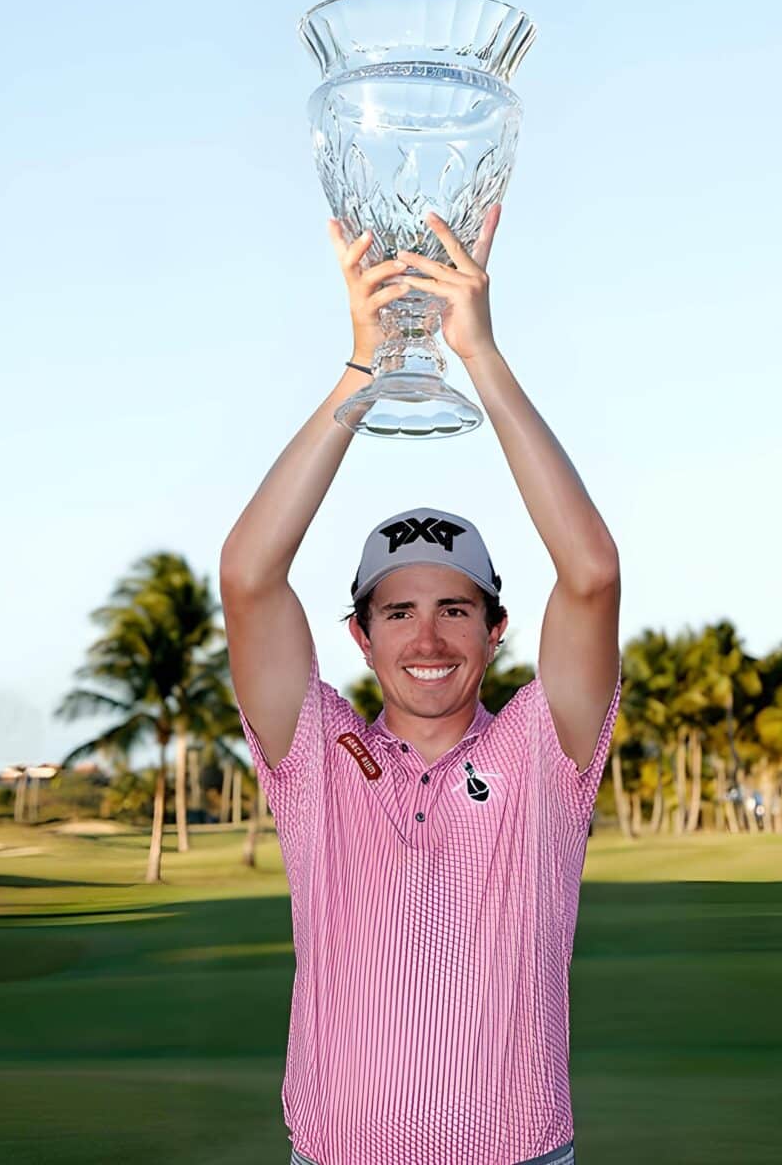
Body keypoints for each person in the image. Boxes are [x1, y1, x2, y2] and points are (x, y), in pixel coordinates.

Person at [220, 205, 621, 1165]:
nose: (428, 636)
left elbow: (592, 575)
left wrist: (475, 354)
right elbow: (246, 577)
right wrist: (367, 368)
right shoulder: (314, 751)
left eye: (455, 608)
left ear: (495, 629)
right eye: (397, 613)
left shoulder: (542, 748)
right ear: (358, 636)